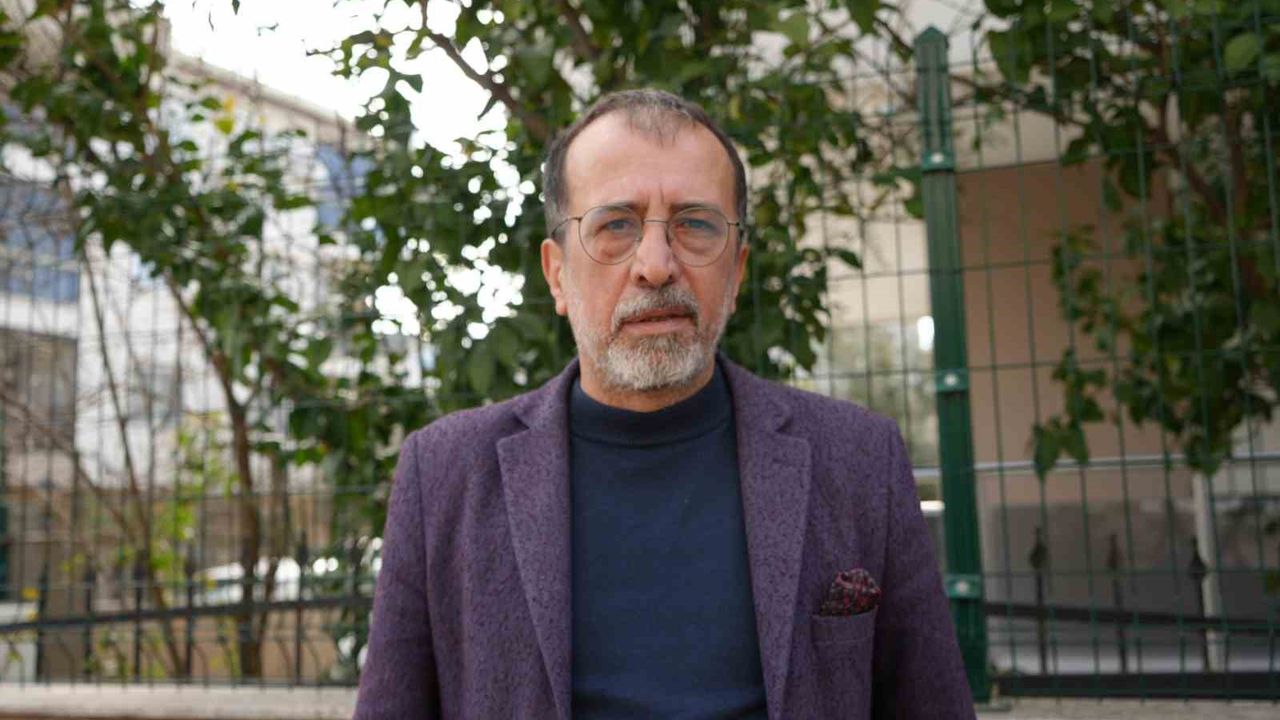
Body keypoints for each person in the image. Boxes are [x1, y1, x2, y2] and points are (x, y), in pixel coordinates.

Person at [353, 89, 974, 719]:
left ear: (737, 270)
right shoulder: (444, 474)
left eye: (695, 225)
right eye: (615, 226)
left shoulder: (859, 461)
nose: (655, 266)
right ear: (557, 274)